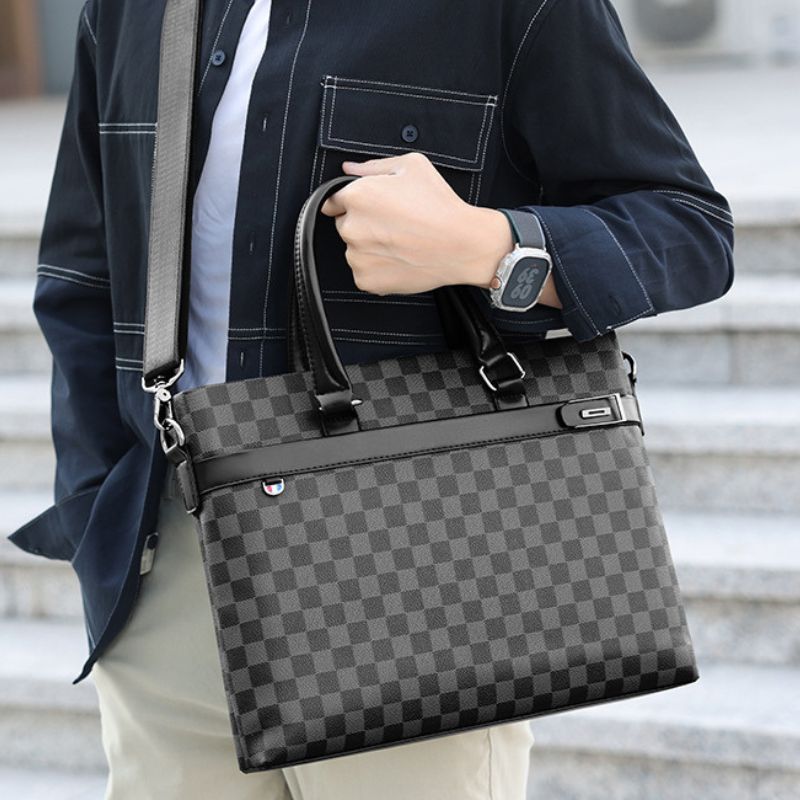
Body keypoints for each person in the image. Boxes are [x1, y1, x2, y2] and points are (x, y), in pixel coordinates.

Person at [8, 0, 734, 798]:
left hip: (408, 577)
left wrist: (488, 247)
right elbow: (83, 279)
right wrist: (96, 512)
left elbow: (688, 228)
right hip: (168, 570)